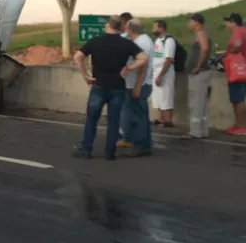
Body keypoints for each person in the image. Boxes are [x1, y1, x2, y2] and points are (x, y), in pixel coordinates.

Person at [73, 15, 149, 160]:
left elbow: (77, 57)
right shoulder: (126, 44)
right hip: (118, 86)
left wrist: (86, 76)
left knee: (92, 119)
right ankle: (110, 152)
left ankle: (86, 148)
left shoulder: (95, 41)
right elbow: (143, 58)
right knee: (114, 121)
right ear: (121, 27)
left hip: (99, 85)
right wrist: (129, 67)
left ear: (107, 25)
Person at [117, 20, 154, 155]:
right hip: (135, 84)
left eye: (127, 28)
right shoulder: (143, 40)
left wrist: (137, 85)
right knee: (135, 115)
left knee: (139, 118)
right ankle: (134, 141)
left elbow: (143, 65)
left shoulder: (141, 43)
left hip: (139, 85)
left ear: (131, 29)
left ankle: (142, 146)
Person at [181, 13, 214, 140]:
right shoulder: (202, 33)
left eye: (190, 22)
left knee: (196, 102)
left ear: (196, 22)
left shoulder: (201, 33)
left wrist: (198, 66)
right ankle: (202, 130)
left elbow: (204, 49)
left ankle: (196, 131)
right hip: (201, 73)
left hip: (199, 74)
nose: (188, 24)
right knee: (201, 103)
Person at [223, 13, 246, 136]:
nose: (226, 25)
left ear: (233, 22)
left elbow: (237, 45)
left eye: (227, 23)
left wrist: (230, 53)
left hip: (238, 71)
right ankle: (237, 125)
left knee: (239, 99)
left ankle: (242, 127)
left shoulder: (237, 32)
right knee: (236, 99)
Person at [150, 20, 176, 127]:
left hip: (165, 72)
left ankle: (168, 119)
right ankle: (160, 117)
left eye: (155, 27)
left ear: (161, 28)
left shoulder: (169, 41)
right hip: (156, 71)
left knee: (166, 95)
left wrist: (161, 74)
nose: (153, 29)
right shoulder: (157, 41)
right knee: (158, 96)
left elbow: (168, 59)